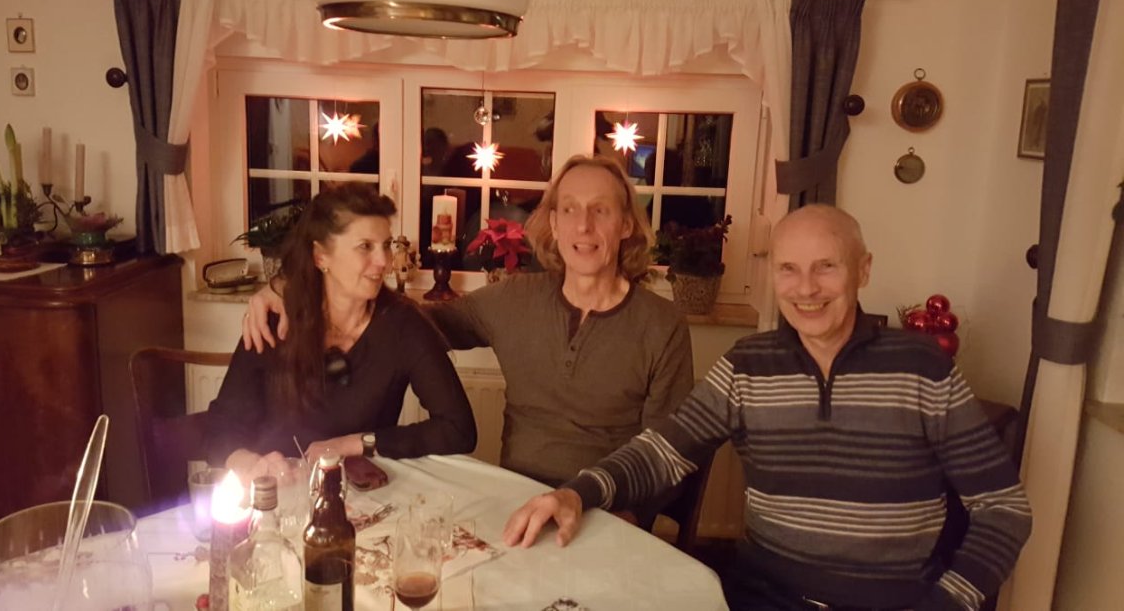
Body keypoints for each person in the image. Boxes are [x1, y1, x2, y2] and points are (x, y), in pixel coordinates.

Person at [503, 204, 1032, 611]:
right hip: (764, 598)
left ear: (863, 269)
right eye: (788, 269)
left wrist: (945, 604)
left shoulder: (921, 368)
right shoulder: (749, 365)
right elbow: (663, 452)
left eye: (826, 267)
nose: (806, 289)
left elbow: (1005, 510)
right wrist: (576, 493)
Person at [242, 155, 694, 499]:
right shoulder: (513, 299)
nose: (584, 225)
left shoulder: (662, 325)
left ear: (627, 224)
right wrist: (291, 287)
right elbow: (407, 324)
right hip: (517, 497)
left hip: (610, 506)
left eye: (601, 211)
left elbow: (668, 452)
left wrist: (628, 515)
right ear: (554, 224)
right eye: (570, 210)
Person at [207, 182, 476, 482]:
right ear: (321, 257)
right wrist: (247, 463)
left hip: (362, 497)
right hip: (277, 492)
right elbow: (221, 424)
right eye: (365, 246)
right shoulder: (275, 318)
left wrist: (355, 443)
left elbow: (458, 429)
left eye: (386, 245)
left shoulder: (402, 324)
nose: (384, 262)